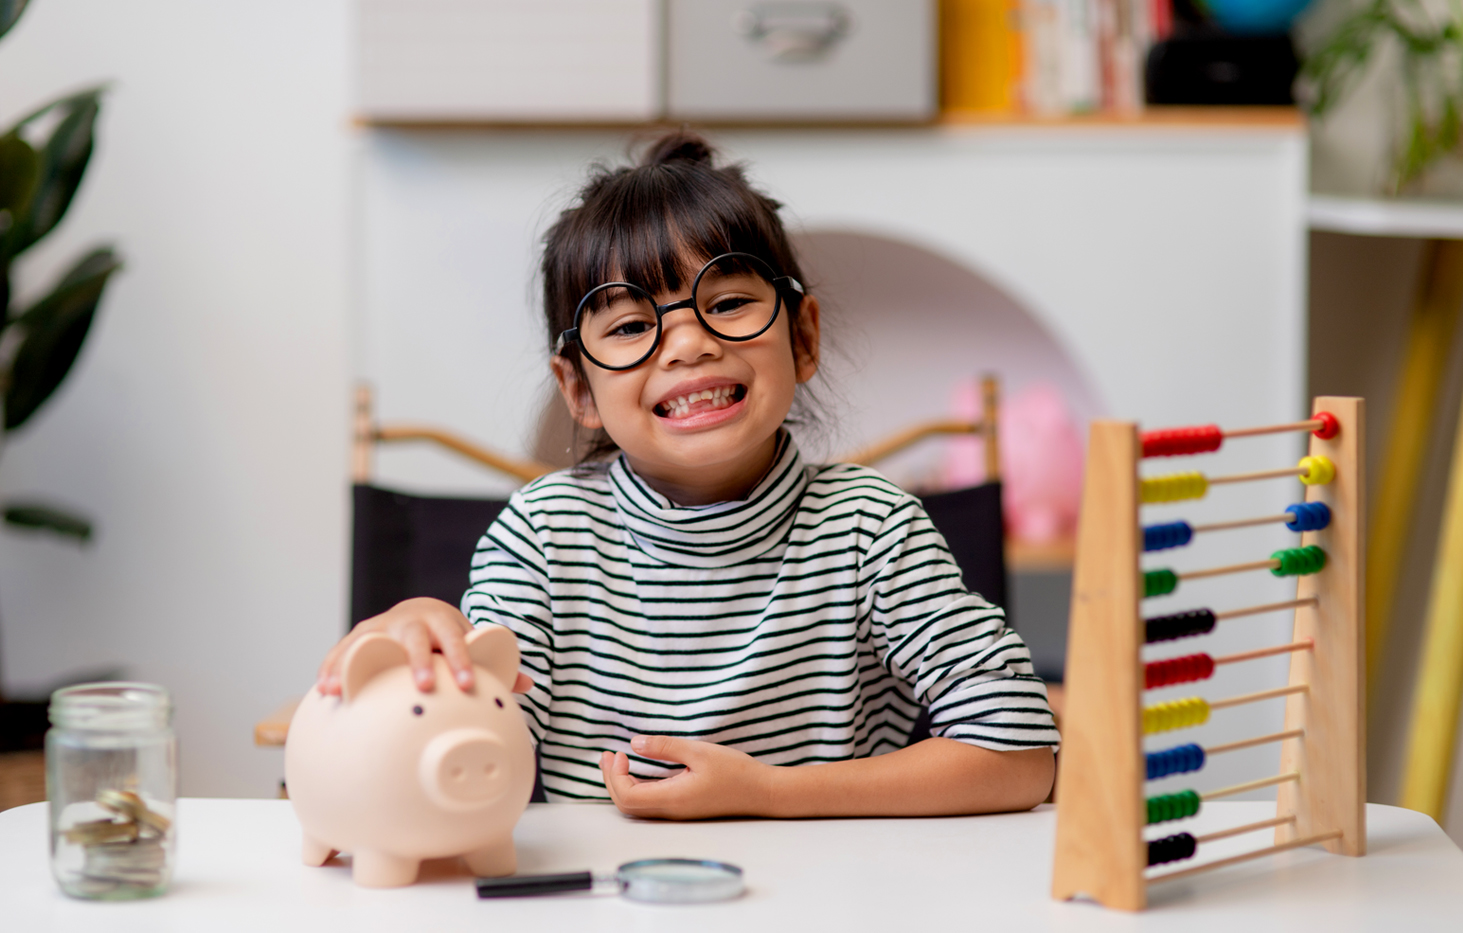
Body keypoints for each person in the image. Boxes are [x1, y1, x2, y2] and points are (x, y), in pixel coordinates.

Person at [317, 131, 1059, 819]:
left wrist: (768, 793)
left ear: (802, 338)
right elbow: (470, 727)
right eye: (631, 325)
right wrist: (425, 636)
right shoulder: (544, 534)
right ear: (577, 390)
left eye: (728, 302)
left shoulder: (871, 526)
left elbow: (1021, 751)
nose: (687, 344)